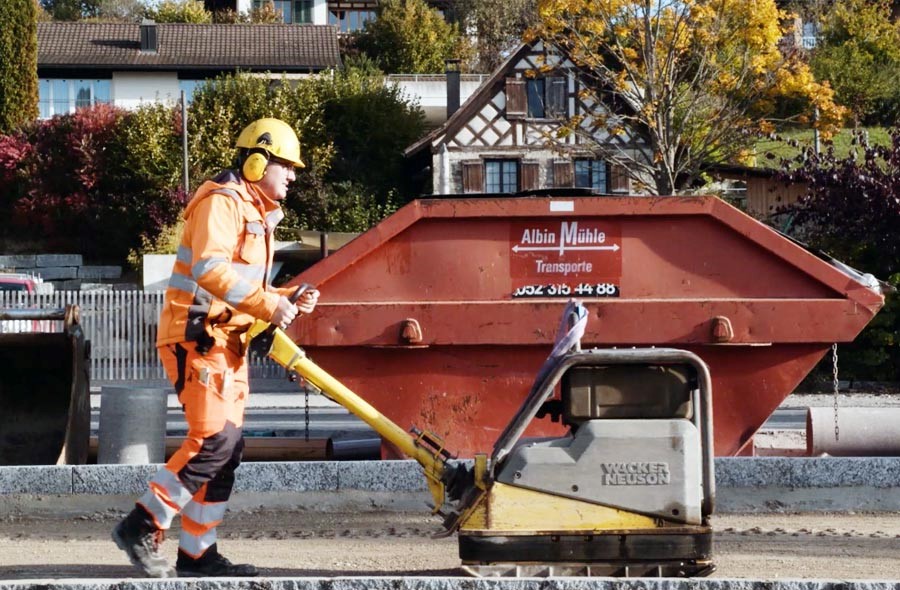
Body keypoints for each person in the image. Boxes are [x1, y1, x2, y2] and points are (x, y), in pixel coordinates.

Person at [111, 117, 319, 578]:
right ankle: (140, 525)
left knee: (227, 449)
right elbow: (210, 270)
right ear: (257, 160)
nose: (293, 175)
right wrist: (269, 304)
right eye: (285, 165)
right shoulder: (223, 203)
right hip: (198, 337)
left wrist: (287, 298)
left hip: (227, 343)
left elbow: (240, 285)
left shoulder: (254, 213)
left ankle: (197, 554)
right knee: (213, 441)